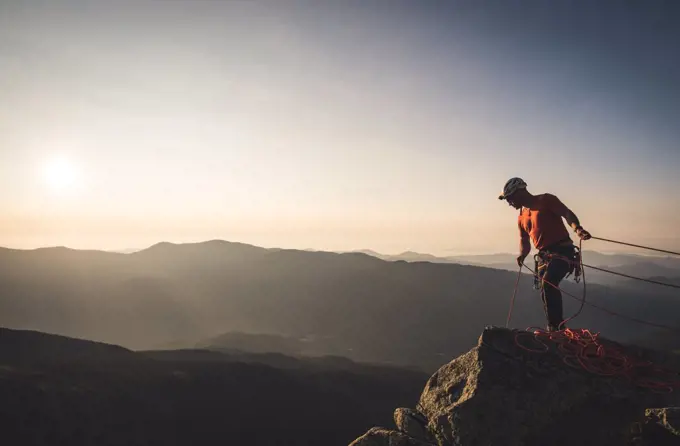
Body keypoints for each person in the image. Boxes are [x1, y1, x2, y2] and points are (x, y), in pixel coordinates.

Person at [498, 177, 592, 332]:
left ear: (519, 192)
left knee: (548, 283)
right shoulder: (521, 217)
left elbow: (566, 213)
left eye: (510, 198)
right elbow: (524, 239)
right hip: (544, 256)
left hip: (563, 250)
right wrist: (522, 254)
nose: (509, 202)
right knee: (545, 289)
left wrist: (578, 229)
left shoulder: (546, 200)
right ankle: (555, 327)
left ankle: (556, 328)